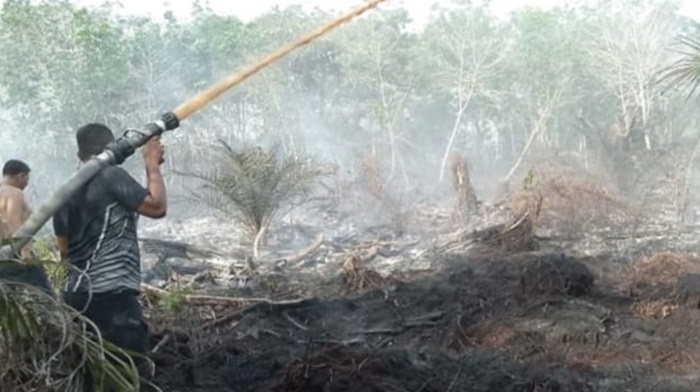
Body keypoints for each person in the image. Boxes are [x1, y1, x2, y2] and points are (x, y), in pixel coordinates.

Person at [52, 123, 167, 391]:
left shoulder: (66, 188)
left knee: (90, 379)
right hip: (112, 300)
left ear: (79, 152)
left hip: (75, 298)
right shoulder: (110, 175)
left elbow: (64, 251)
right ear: (111, 146)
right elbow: (157, 206)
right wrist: (152, 164)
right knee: (127, 377)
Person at [0, 159, 53, 292]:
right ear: (20, 176)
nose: (27, 183)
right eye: (27, 178)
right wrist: (25, 252)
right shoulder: (14, 193)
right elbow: (14, 221)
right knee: (44, 294)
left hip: (3, 256)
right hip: (16, 253)